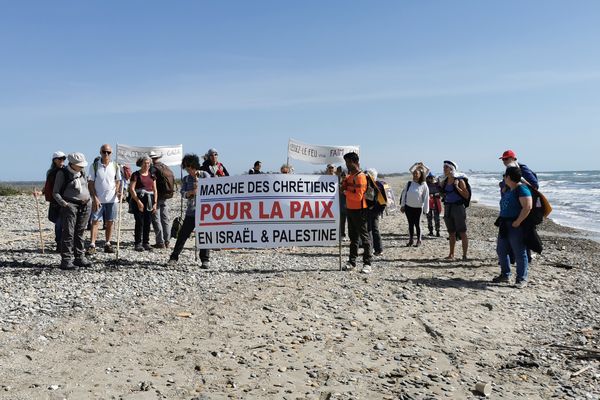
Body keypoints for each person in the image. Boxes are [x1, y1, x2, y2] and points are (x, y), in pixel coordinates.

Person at [168, 154, 211, 268]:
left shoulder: (205, 175)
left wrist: (200, 188)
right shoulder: (186, 179)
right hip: (191, 211)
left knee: (204, 235)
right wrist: (191, 192)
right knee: (183, 235)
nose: (189, 170)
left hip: (204, 212)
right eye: (186, 168)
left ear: (195, 166)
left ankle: (205, 260)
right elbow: (182, 194)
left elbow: (212, 190)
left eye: (190, 167)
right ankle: (174, 256)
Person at [493, 166, 533, 288]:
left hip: (516, 226)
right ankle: (505, 274)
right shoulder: (509, 189)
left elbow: (528, 207)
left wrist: (518, 221)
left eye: (505, 176)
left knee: (519, 253)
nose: (504, 178)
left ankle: (522, 279)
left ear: (508, 177)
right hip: (505, 224)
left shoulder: (522, 189)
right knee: (501, 250)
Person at [53, 153, 93, 270]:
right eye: (79, 165)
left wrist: (90, 199)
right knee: (68, 233)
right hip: (70, 205)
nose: (82, 167)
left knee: (80, 232)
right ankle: (66, 260)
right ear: (72, 164)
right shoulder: (63, 173)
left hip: (85, 204)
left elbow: (85, 185)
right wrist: (64, 204)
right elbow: (55, 192)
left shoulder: (82, 172)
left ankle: (79, 257)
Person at [87, 144, 121, 255]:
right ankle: (92, 244)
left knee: (110, 222)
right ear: (100, 152)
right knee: (95, 221)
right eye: (104, 151)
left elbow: (118, 180)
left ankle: (108, 243)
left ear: (111, 153)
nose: (106, 154)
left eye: (108, 152)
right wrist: (94, 198)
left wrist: (117, 191)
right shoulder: (94, 166)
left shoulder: (116, 166)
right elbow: (90, 183)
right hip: (98, 200)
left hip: (112, 200)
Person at [341, 152, 372, 273]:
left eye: (349, 162)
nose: (347, 164)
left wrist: (345, 192)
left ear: (355, 162)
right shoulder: (349, 176)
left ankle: (367, 263)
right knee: (353, 238)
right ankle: (352, 262)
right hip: (350, 210)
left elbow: (358, 196)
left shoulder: (360, 177)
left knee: (364, 238)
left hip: (360, 210)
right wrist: (344, 185)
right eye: (346, 162)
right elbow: (343, 188)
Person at [440, 160, 470, 260]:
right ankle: (451, 254)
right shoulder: (444, 182)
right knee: (451, 232)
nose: (444, 169)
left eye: (446, 167)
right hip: (448, 207)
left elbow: (466, 195)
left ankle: (464, 255)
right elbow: (442, 193)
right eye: (444, 167)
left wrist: (456, 187)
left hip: (458, 207)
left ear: (452, 169)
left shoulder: (460, 181)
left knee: (462, 232)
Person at [129, 156, 158, 251]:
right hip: (138, 199)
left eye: (148, 163)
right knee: (139, 221)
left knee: (148, 221)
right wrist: (138, 201)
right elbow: (132, 189)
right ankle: (137, 243)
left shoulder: (152, 175)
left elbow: (155, 189)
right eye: (145, 163)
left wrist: (155, 203)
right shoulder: (136, 174)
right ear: (141, 163)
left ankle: (146, 242)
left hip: (149, 199)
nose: (147, 165)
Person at [400, 164, 429, 247]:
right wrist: (403, 205)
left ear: (420, 175)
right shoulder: (409, 183)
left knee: (417, 225)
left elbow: (426, 198)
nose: (415, 175)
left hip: (418, 208)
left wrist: (426, 210)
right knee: (410, 224)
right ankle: (411, 240)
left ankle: (419, 240)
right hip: (408, 207)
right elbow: (404, 194)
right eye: (414, 173)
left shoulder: (424, 185)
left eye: (417, 173)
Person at [43, 151, 67, 251]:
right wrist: (40, 192)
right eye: (60, 159)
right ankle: (59, 243)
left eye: (63, 159)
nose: (62, 161)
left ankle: (62, 243)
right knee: (58, 223)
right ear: (55, 160)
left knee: (61, 223)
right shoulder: (51, 172)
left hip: (65, 200)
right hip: (54, 201)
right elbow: (47, 186)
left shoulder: (66, 171)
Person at [149, 151, 173, 249]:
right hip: (166, 195)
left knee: (156, 219)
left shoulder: (153, 168)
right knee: (165, 219)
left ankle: (160, 242)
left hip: (157, 195)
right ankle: (167, 241)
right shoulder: (164, 166)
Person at [365, 168, 387, 256]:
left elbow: (381, 200)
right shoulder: (371, 184)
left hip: (374, 210)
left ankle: (376, 249)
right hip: (371, 209)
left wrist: (375, 208)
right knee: (371, 229)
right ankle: (374, 249)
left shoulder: (377, 185)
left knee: (372, 229)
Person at [426, 172, 442, 237]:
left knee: (437, 218)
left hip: (436, 202)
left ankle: (437, 231)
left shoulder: (437, 184)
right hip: (428, 202)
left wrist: (435, 194)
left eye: (431, 177)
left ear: (434, 178)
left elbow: (441, 193)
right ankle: (430, 231)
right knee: (429, 218)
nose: (430, 179)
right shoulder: (426, 185)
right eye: (429, 178)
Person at [336, 166, 348, 240]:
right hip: (341, 206)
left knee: (351, 223)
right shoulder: (338, 183)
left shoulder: (349, 183)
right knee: (342, 222)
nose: (343, 176)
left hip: (349, 206)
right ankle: (342, 234)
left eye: (344, 175)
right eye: (342, 175)